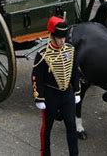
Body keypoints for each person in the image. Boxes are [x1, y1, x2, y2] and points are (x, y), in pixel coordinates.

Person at [32, 16, 80, 156]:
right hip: (50, 95)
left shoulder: (70, 50)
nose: (62, 41)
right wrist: (39, 98)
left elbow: (75, 72)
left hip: (67, 94)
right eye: (59, 38)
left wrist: (76, 91)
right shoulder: (42, 54)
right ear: (52, 36)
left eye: (64, 38)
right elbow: (36, 78)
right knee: (47, 128)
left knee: (71, 125)